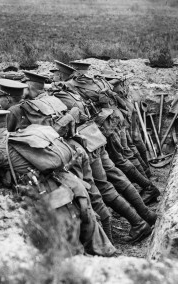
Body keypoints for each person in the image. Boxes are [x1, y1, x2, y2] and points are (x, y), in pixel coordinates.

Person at [0, 108, 116, 256]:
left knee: (72, 256)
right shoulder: (18, 136)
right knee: (100, 248)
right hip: (73, 189)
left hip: (56, 204)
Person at [0, 73, 156, 243]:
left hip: (74, 149)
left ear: (8, 97)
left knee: (96, 193)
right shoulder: (50, 98)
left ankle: (119, 237)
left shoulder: (16, 110)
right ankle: (144, 217)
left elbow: (10, 140)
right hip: (89, 138)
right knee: (110, 182)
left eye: (0, 98)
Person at [53, 60, 160, 205]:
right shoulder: (95, 80)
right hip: (113, 118)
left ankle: (148, 187)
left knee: (121, 159)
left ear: (61, 75)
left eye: (56, 73)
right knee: (125, 154)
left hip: (107, 124)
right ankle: (146, 181)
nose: (53, 77)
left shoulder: (72, 86)